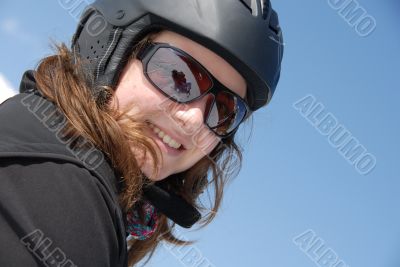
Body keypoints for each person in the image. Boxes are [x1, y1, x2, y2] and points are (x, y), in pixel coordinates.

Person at [0, 0, 284, 266]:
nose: (195, 120)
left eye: (224, 110)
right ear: (106, 50)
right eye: (178, 75)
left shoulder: (39, 144)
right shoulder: (59, 191)